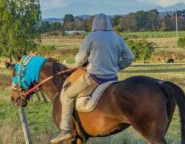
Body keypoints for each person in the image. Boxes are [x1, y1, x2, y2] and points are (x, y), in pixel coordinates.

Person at [51, 13, 134, 144]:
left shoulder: (91, 37)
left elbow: (79, 60)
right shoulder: (117, 37)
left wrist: (83, 63)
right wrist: (116, 67)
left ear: (95, 23)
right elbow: (129, 58)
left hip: (94, 78)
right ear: (109, 23)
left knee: (67, 95)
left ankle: (65, 131)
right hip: (112, 79)